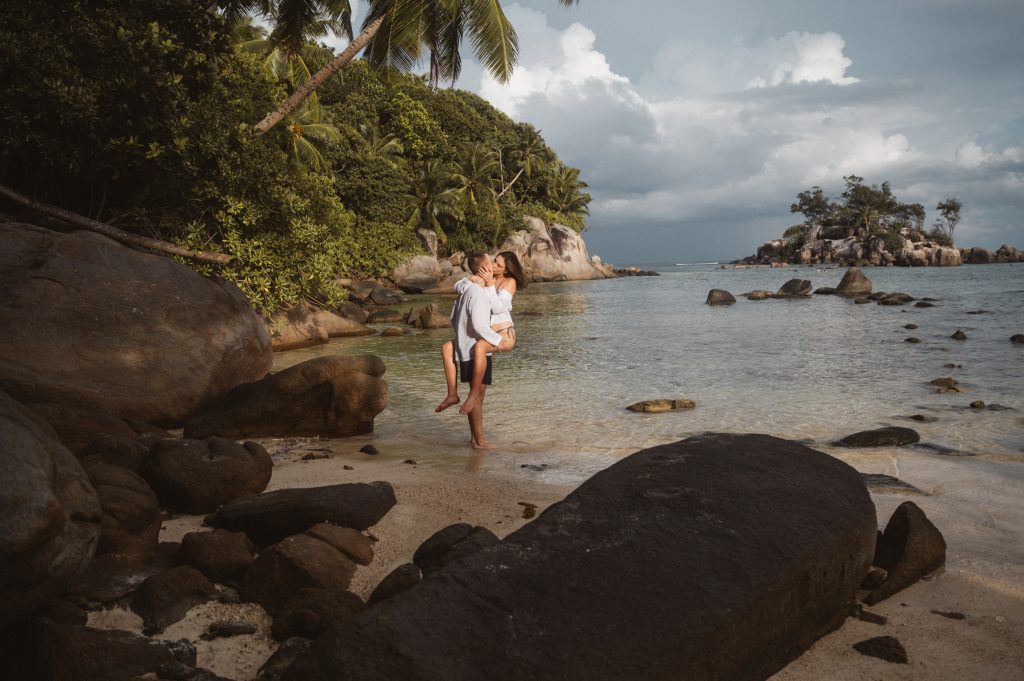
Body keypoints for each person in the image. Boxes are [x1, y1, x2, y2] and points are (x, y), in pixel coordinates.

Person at [435, 251, 526, 417]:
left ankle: (473, 394)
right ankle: (452, 394)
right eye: (494, 261)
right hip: (485, 333)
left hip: (503, 334)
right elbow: (457, 287)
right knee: (447, 347)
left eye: (498, 264)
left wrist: (490, 284)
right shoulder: (485, 277)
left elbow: (497, 308)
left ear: (506, 269)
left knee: (479, 348)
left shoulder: (509, 282)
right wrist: (471, 279)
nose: (493, 265)